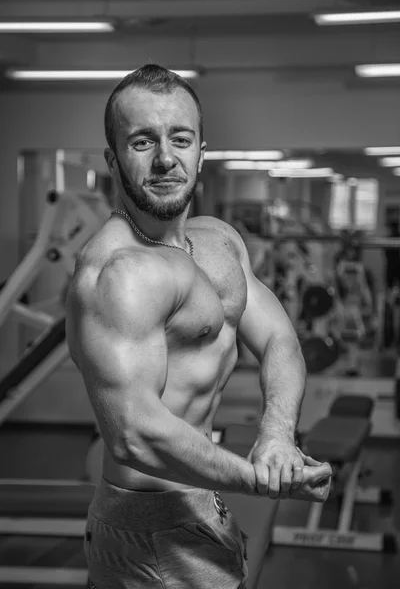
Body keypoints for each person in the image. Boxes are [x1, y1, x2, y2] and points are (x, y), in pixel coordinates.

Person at [66, 64, 332, 589]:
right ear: (113, 159)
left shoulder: (219, 242)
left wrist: (277, 437)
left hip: (202, 505)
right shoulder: (119, 273)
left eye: (180, 139)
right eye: (142, 141)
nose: (166, 158)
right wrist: (259, 479)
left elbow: (279, 339)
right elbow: (134, 436)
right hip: (146, 528)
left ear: (201, 153)